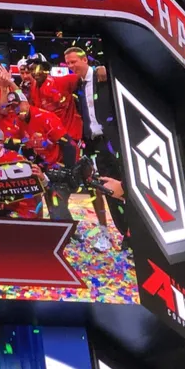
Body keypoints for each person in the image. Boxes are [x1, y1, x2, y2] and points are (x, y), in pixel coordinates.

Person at [61, 46, 128, 249]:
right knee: (107, 189)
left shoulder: (102, 76)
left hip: (115, 140)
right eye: (68, 63)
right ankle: (124, 234)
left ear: (84, 60)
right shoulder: (78, 86)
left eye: (74, 62)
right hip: (95, 143)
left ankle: (137, 236)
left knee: (126, 186)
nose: (71, 66)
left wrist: (103, 68)